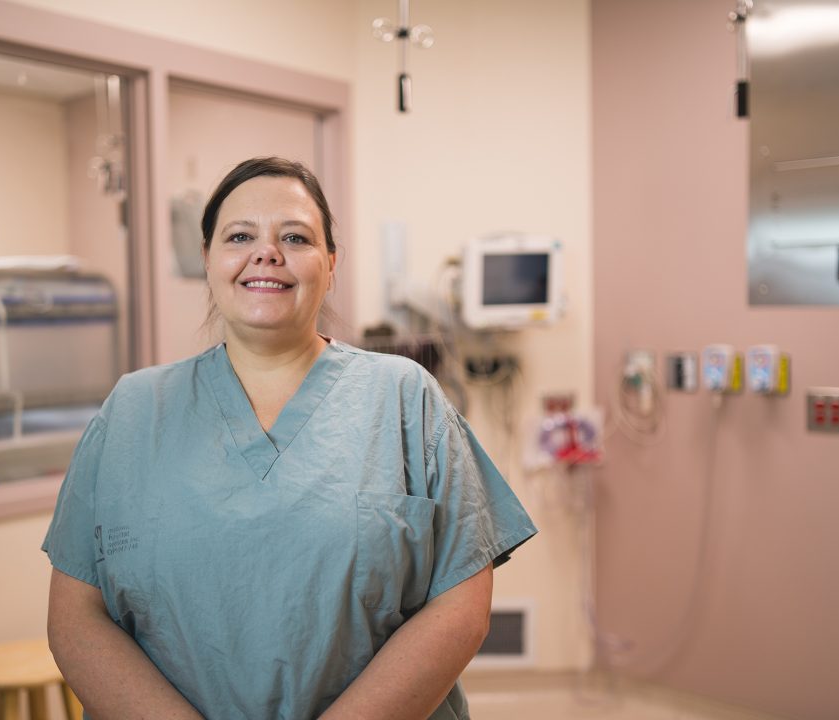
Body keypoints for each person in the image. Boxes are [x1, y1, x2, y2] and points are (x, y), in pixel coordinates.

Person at [43, 157, 537, 720]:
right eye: (240, 235)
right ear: (208, 260)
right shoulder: (132, 412)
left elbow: (460, 610)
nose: (267, 252)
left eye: (295, 237)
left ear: (330, 264)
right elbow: (77, 617)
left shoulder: (405, 398)